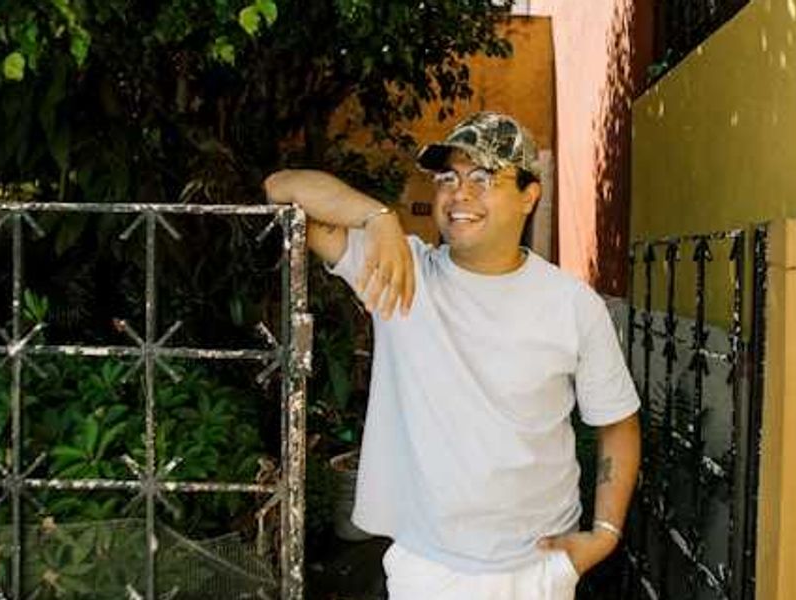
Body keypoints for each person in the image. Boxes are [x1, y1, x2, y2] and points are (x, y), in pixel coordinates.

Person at [264, 112, 640, 599]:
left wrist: (604, 535)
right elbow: (281, 188)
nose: (459, 193)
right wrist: (378, 218)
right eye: (448, 178)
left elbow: (617, 423)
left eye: (483, 177)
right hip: (428, 568)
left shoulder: (573, 304)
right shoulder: (400, 272)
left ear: (529, 195)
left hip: (537, 568)